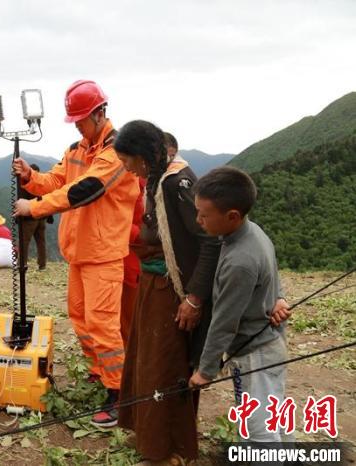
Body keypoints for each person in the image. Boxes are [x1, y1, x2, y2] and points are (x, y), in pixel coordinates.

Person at [13, 80, 140, 427]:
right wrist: (30, 176)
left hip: (104, 253)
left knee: (102, 323)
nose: (77, 126)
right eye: (75, 120)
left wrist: (33, 207)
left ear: (99, 113)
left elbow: (86, 190)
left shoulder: (116, 152)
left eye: (81, 119)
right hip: (80, 253)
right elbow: (56, 181)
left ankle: (120, 393)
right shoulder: (76, 150)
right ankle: (99, 372)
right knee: (81, 317)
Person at [114, 120, 221, 465]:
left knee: (165, 366)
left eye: (128, 161)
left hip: (175, 292)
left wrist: (194, 298)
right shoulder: (156, 180)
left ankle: (169, 449)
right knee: (148, 363)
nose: (127, 168)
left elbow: (209, 240)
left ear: (143, 156)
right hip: (154, 284)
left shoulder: (178, 183)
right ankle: (151, 438)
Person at [189, 167, 292, 445]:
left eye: (204, 215)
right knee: (274, 416)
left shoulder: (239, 262)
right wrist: (278, 297)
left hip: (254, 354)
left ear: (232, 216)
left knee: (259, 430)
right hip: (270, 345)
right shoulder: (253, 232)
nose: (198, 220)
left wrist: (205, 370)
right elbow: (271, 272)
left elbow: (224, 322)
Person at [120, 177, 146, 349]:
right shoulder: (127, 180)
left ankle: (131, 350)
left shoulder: (148, 182)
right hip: (122, 255)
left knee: (130, 310)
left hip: (135, 256)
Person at [19, 163, 53, 271]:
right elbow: (47, 199)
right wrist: (49, 215)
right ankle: (42, 265)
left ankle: (22, 264)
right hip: (42, 217)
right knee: (41, 241)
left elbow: (21, 201)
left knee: (24, 241)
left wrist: (18, 217)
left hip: (29, 218)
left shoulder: (26, 184)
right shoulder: (42, 184)